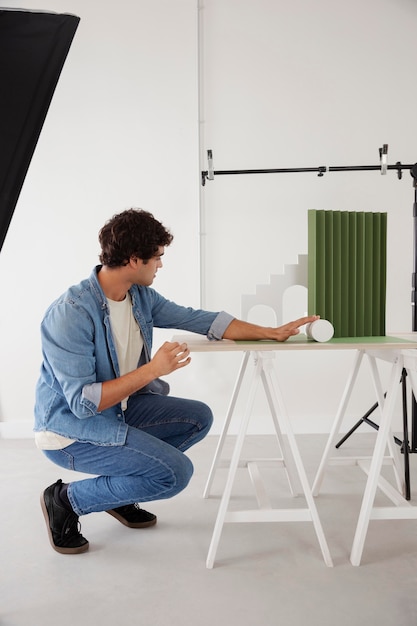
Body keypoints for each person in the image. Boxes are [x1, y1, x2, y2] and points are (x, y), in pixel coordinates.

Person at [34, 208, 318, 554]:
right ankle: (66, 500)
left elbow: (200, 320)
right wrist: (153, 369)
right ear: (134, 259)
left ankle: (125, 488)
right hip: (72, 433)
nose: (161, 265)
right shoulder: (71, 313)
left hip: (120, 411)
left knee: (197, 418)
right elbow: (82, 403)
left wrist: (270, 333)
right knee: (174, 474)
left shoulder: (140, 297)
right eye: (157, 257)